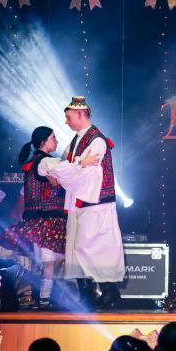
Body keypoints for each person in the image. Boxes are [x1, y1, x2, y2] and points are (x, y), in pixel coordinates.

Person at [40, 96, 125, 310]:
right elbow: (61, 166)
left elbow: (81, 173)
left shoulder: (96, 140)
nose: (66, 121)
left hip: (96, 204)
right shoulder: (75, 141)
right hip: (79, 204)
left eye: (68, 117)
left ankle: (109, 293)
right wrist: (63, 169)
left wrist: (66, 169)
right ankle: (86, 294)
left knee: (97, 249)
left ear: (80, 114)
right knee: (75, 251)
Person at [0, 127, 97, 310]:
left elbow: (65, 174)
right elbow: (66, 169)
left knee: (57, 261)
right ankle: (43, 298)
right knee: (50, 262)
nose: (56, 141)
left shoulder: (44, 163)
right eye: (53, 138)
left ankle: (43, 295)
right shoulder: (44, 162)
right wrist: (84, 161)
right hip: (43, 222)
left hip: (52, 221)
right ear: (43, 141)